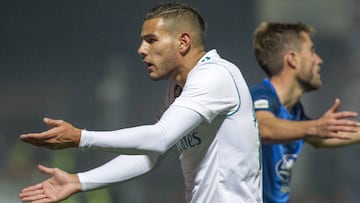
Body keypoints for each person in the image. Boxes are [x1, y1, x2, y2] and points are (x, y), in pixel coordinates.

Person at [19, 3, 262, 203]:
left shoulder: (214, 75)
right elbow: (150, 156)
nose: (141, 50)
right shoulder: (178, 89)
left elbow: (160, 137)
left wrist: (81, 138)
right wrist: (78, 181)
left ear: (183, 42)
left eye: (151, 40)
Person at [250, 21, 360, 203]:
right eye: (311, 51)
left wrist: (316, 128)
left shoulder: (294, 111)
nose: (319, 60)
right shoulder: (260, 95)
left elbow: (323, 137)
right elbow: (263, 127)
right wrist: (315, 126)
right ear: (292, 59)